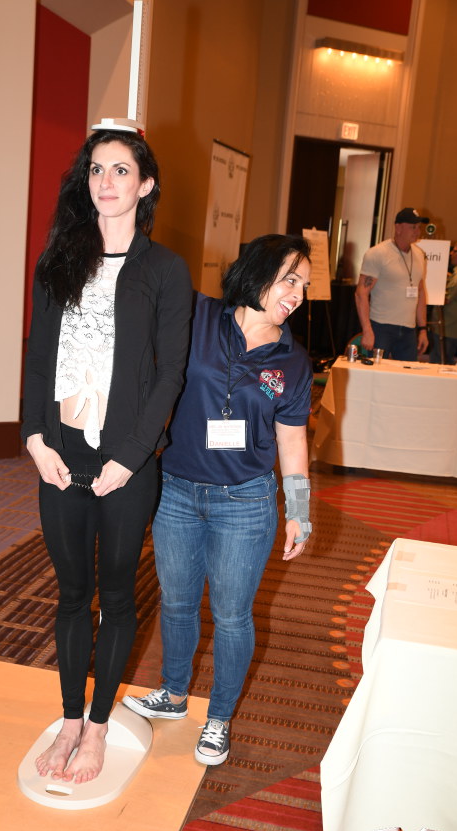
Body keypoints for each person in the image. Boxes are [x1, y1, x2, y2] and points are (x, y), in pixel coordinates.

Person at [21, 128, 192, 784]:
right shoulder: (59, 259)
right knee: (71, 595)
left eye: (122, 170)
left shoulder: (164, 269)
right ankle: (69, 719)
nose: (107, 182)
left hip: (126, 464)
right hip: (59, 457)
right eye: (97, 169)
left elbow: (170, 374)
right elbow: (39, 358)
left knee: (116, 595)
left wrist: (132, 456)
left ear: (145, 184)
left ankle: (97, 727)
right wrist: (34, 438)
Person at [123, 234, 313, 766]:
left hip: (245, 502)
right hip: (177, 491)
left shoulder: (293, 362)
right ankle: (174, 692)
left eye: (303, 285)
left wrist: (299, 511)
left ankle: (220, 717)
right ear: (257, 273)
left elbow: (293, 441)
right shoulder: (199, 317)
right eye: (289, 279)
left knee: (231, 616)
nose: (297, 294)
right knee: (177, 602)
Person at [354, 207, 430, 361]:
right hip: (381, 327)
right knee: (376, 372)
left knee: (406, 373)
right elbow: (361, 293)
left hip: (409, 330)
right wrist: (367, 330)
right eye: (413, 227)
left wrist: (423, 329)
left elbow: (420, 292)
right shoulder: (378, 253)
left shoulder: (419, 254)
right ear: (398, 227)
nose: (417, 231)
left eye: (419, 227)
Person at [429, 241, 457, 364]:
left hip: (448, 327)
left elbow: (445, 299)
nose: (451, 254)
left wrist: (430, 287)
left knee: (439, 363)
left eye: (455, 251)